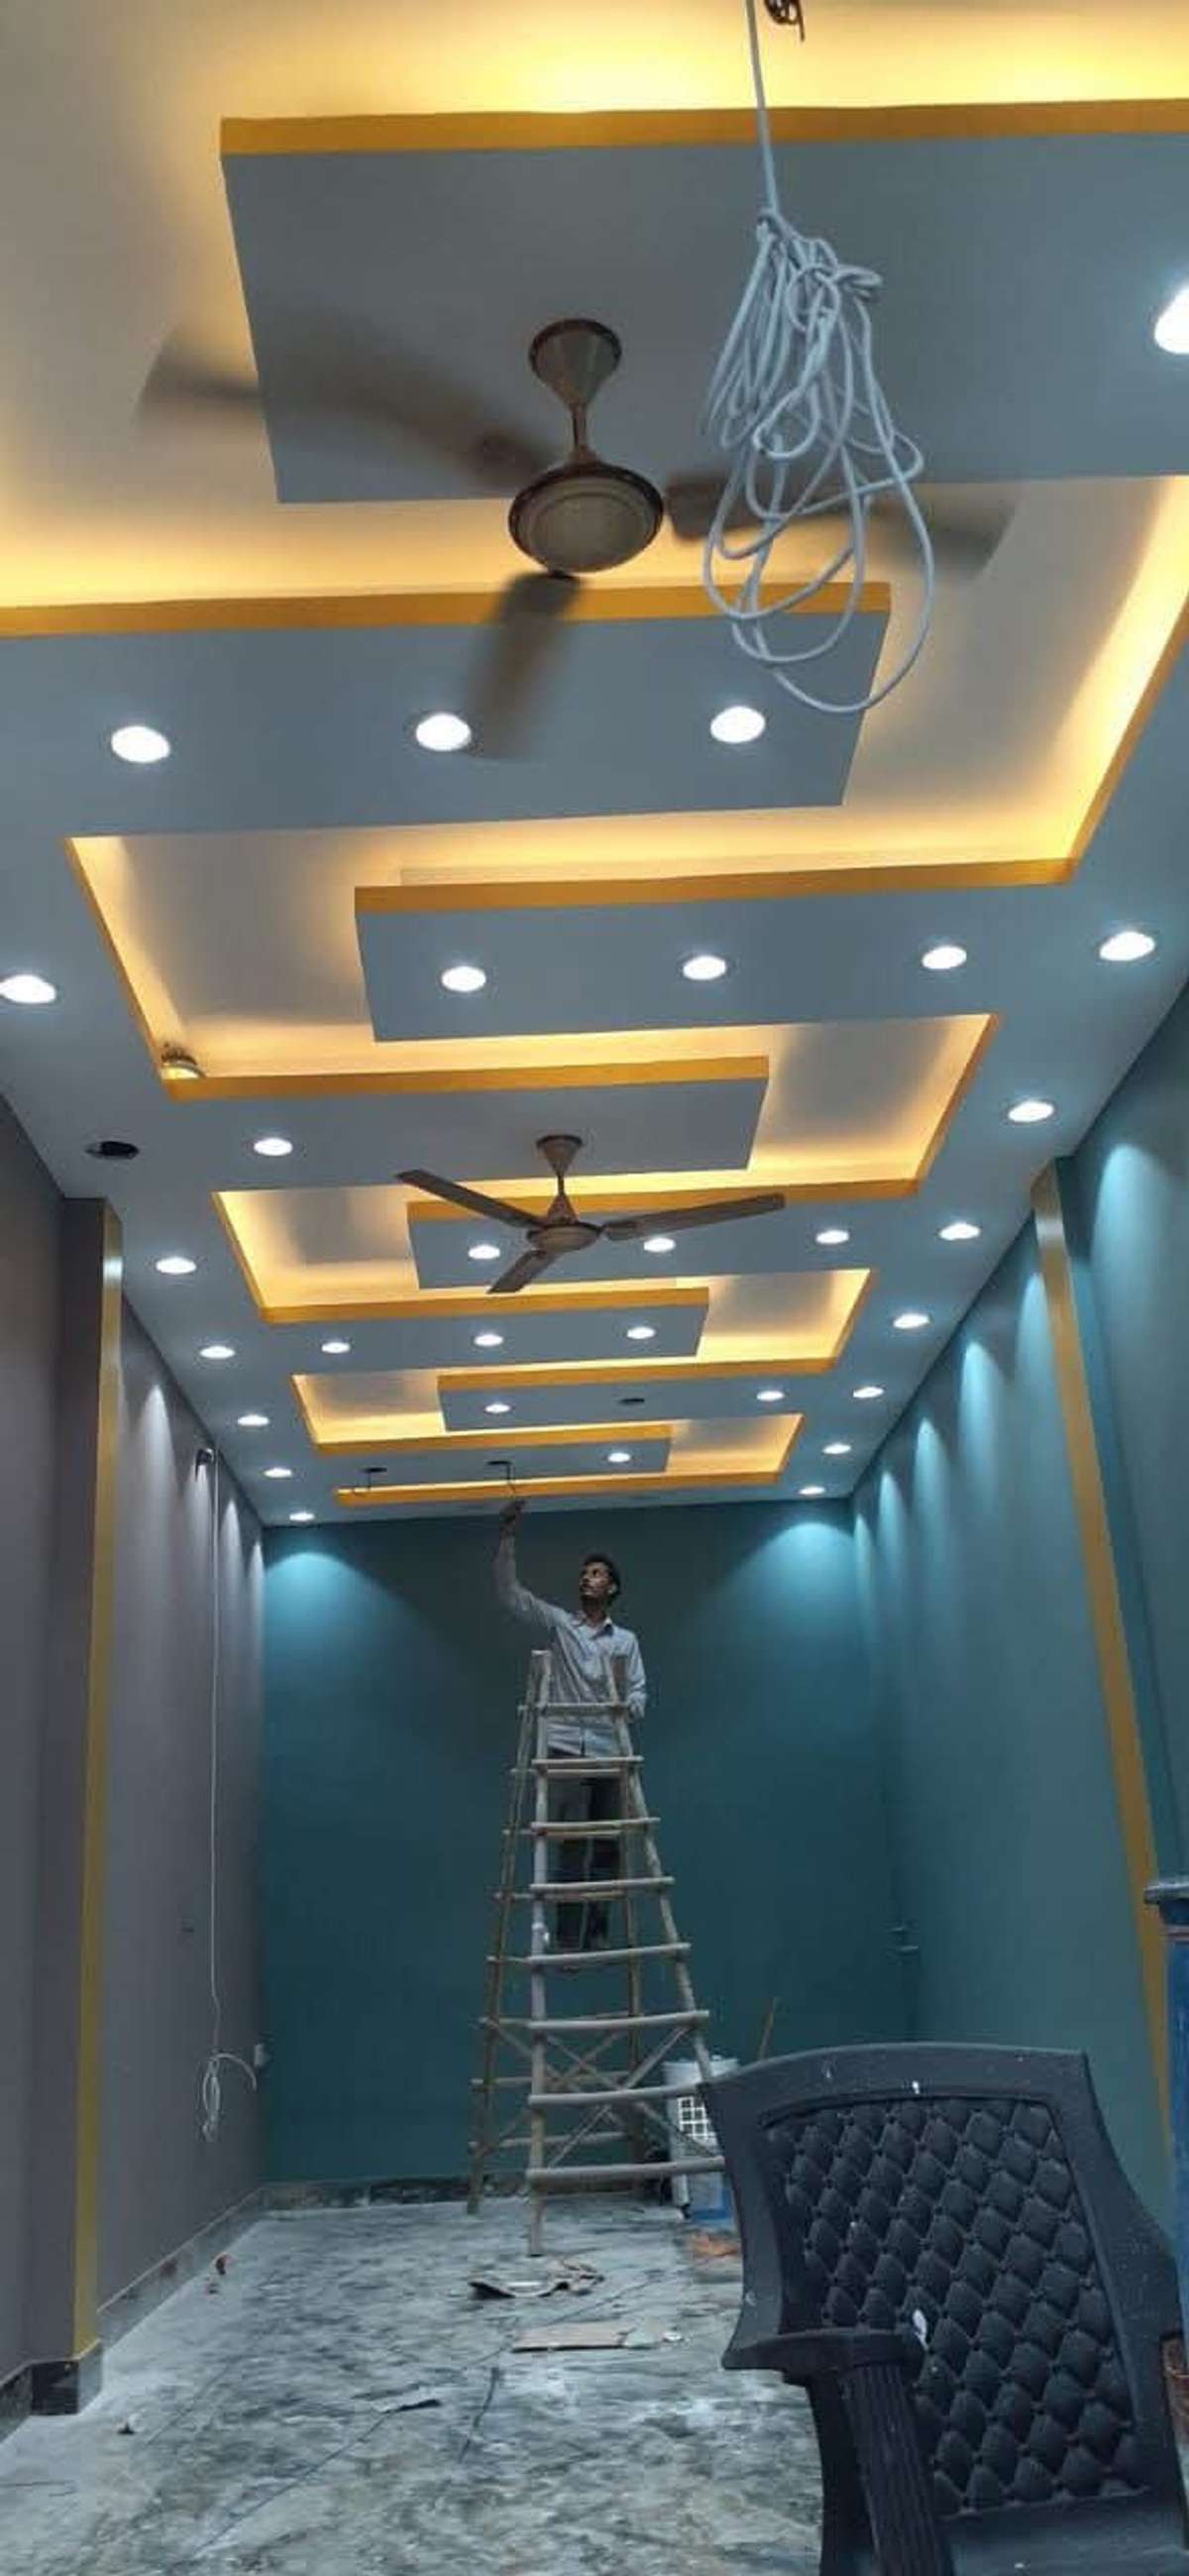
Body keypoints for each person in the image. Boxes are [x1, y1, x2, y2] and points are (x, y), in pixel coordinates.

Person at [493, 1499, 646, 1951]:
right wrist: (507, 1537)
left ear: (612, 1587)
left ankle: (596, 1934)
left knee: (608, 1844)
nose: (586, 1578)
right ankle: (565, 1936)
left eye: (596, 1573)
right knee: (571, 1843)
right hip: (565, 1747)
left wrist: (629, 1707)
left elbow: (639, 1691)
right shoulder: (563, 1626)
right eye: (584, 1573)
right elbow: (512, 1594)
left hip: (608, 1749)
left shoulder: (626, 1641)